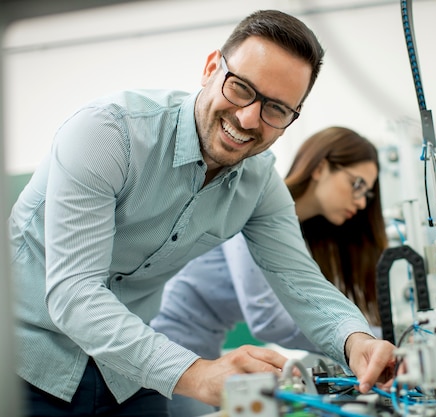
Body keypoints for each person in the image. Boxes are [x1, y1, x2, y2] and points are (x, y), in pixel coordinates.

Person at [8, 10, 396, 417]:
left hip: (125, 374)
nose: (248, 118)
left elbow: (302, 283)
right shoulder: (108, 134)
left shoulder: (260, 184)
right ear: (212, 68)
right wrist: (198, 373)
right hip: (26, 362)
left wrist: (357, 341)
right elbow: (74, 294)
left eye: (276, 110)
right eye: (241, 88)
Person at [151, 126, 388, 416]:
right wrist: (369, 339)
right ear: (321, 168)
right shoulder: (257, 209)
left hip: (204, 349)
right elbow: (267, 319)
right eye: (357, 184)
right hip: (170, 349)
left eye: (368, 193)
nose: (362, 201)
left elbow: (310, 308)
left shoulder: (297, 235)